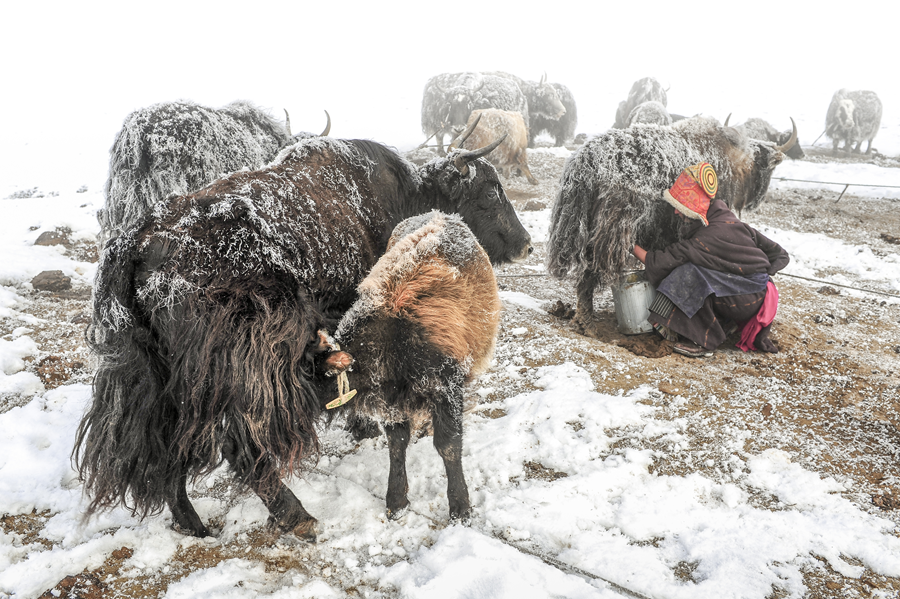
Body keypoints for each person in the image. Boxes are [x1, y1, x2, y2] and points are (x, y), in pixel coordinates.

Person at [632, 162, 789, 358]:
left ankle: (703, 340)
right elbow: (780, 254)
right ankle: (726, 322)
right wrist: (748, 274)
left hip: (746, 300)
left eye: (680, 206)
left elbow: (658, 261)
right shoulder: (724, 217)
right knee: (706, 273)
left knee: (687, 275)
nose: (676, 212)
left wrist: (629, 245)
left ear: (692, 208)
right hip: (756, 292)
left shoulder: (707, 237)